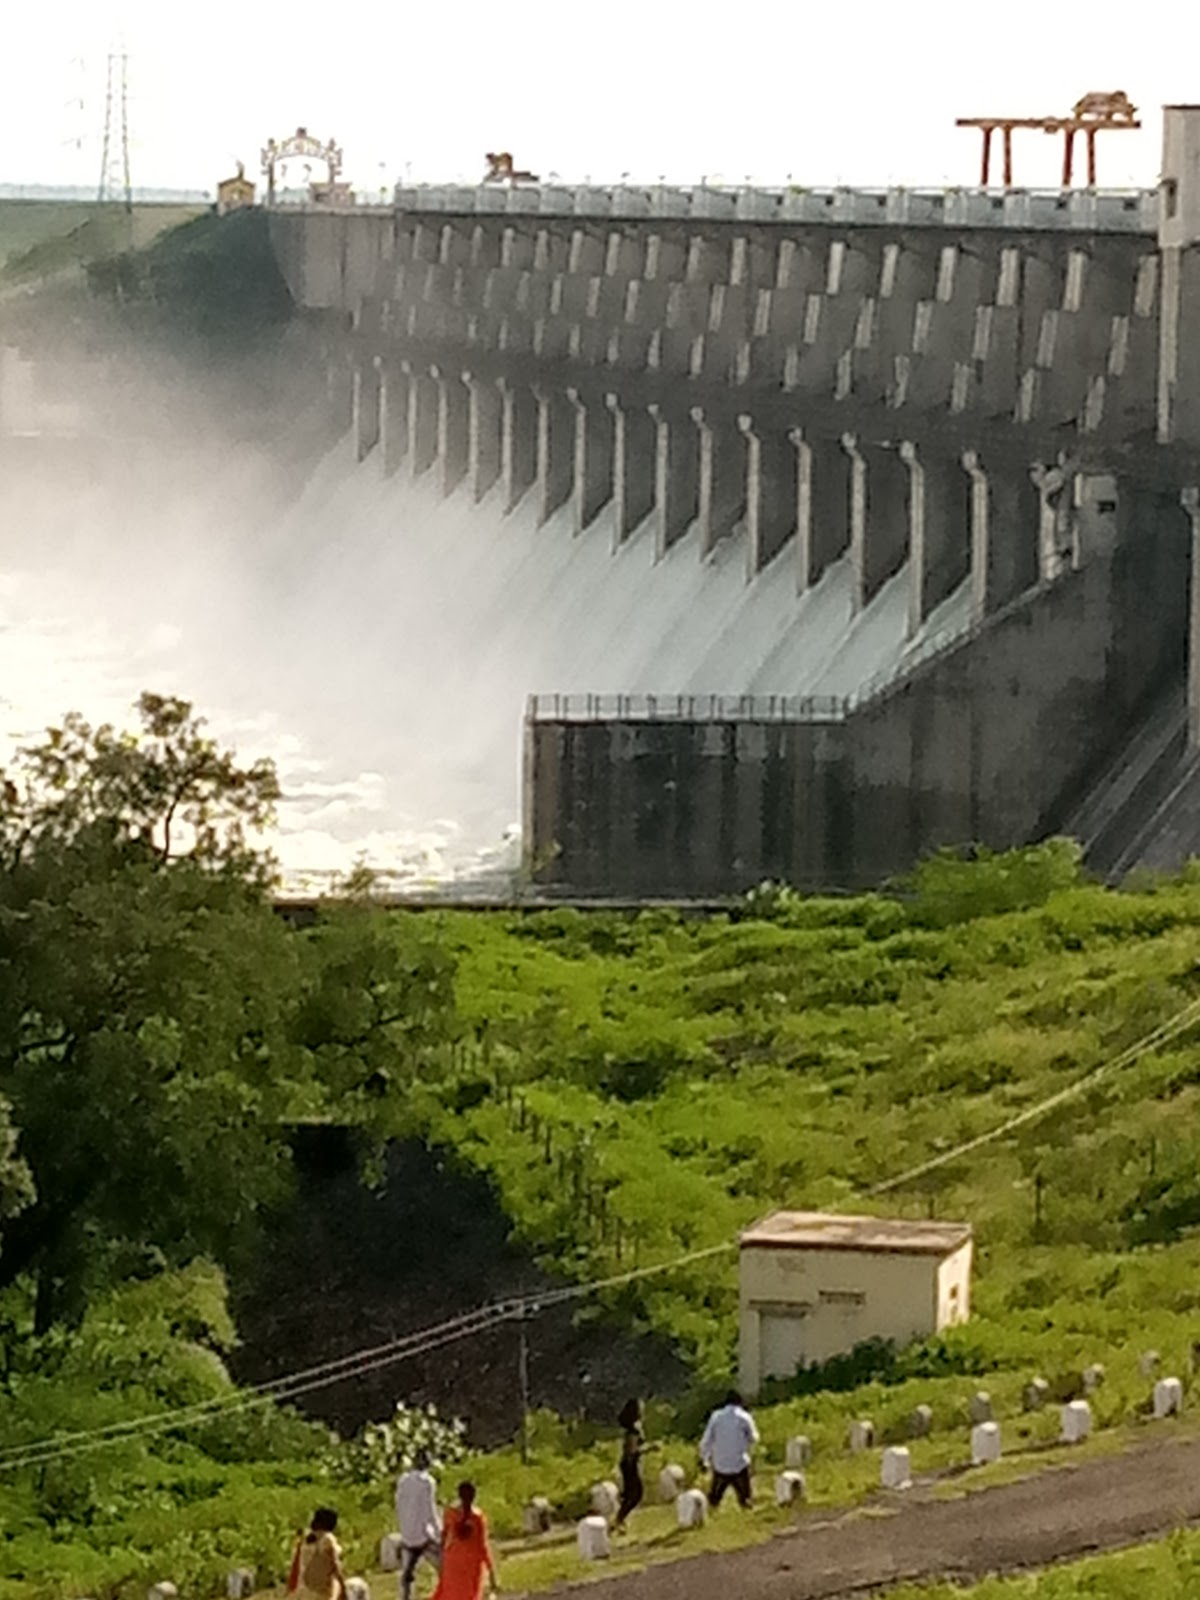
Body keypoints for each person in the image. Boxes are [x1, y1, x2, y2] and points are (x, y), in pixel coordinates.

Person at [431, 1481, 498, 1599]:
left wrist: (443, 1559)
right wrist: (491, 1570)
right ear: (474, 1496)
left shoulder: (451, 1514)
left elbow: (443, 1538)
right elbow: (482, 1546)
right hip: (471, 1565)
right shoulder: (477, 1518)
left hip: (453, 1561)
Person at [699, 1390, 760, 1509]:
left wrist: (704, 1459)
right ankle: (745, 1503)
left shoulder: (716, 1417)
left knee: (714, 1501)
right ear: (740, 1402)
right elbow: (755, 1438)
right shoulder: (744, 1417)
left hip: (720, 1465)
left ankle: (713, 1505)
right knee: (746, 1500)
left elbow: (706, 1441)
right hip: (739, 1464)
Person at [395, 1449, 442, 1600]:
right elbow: (430, 1511)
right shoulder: (427, 1482)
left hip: (407, 1535)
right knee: (445, 1568)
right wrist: (439, 1534)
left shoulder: (402, 1480)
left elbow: (399, 1505)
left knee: (407, 1576)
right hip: (423, 1536)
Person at [288, 1507, 348, 1600]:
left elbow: (296, 1565)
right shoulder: (327, 1538)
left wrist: (291, 1587)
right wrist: (343, 1589)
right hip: (321, 1591)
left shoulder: (305, 1539)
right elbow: (335, 1566)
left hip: (304, 1590)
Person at [615, 1398, 647, 1530]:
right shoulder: (634, 1430)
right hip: (630, 1463)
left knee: (631, 1494)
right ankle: (619, 1519)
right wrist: (650, 1448)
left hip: (629, 1463)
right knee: (635, 1494)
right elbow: (632, 1450)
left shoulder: (634, 1427)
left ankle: (620, 1518)